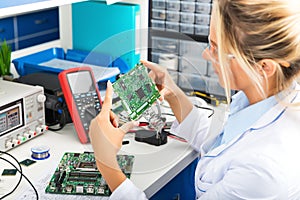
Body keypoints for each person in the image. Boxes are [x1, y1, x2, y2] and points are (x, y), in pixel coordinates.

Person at [89, 0, 300, 199]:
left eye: (218, 50)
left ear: (264, 67)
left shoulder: (262, 172)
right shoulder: (265, 97)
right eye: (210, 43)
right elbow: (219, 142)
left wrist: (106, 162)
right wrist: (172, 92)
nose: (207, 55)